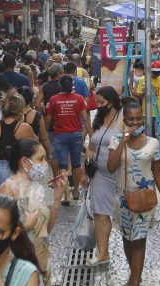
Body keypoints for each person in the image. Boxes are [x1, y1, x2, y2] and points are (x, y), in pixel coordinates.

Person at [107, 101, 160, 286]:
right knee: (128, 239)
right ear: (124, 120)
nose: (135, 123)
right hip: (123, 198)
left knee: (140, 240)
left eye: (138, 119)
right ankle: (134, 273)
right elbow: (111, 166)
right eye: (131, 119)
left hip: (145, 198)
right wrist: (123, 141)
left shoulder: (153, 143)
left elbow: (157, 173)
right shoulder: (116, 140)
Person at [0, 139, 68, 286]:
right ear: (24, 161)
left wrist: (57, 200)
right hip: (22, 271)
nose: (45, 164)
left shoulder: (36, 187)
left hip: (42, 267)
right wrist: (25, 226)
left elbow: (45, 231)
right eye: (41, 159)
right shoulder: (8, 189)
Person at [83, 86, 123, 266]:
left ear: (112, 101)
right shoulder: (98, 119)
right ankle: (103, 252)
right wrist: (85, 172)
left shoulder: (123, 117)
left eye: (101, 102)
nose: (98, 105)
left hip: (120, 172)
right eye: (97, 102)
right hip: (98, 173)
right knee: (99, 213)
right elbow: (91, 147)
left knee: (123, 214)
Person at [45, 75, 93, 204]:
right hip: (76, 135)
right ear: (72, 85)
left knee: (63, 166)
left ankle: (65, 196)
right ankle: (76, 190)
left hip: (59, 135)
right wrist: (91, 134)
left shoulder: (54, 100)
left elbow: (48, 119)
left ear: (60, 85)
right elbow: (86, 118)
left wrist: (43, 132)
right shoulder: (79, 99)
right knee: (76, 164)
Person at [0, 91, 36, 190]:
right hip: (18, 168)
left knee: (2, 202)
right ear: (20, 109)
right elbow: (36, 148)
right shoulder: (25, 128)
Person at [134, 61, 160, 137]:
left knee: (158, 134)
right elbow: (138, 95)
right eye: (154, 72)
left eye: (158, 73)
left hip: (158, 112)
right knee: (147, 134)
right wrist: (144, 91)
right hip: (146, 111)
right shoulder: (143, 79)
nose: (156, 75)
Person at [19, 86, 51, 157]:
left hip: (17, 150)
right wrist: (49, 154)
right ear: (31, 99)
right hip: (33, 151)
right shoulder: (37, 115)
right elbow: (44, 138)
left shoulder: (13, 114)